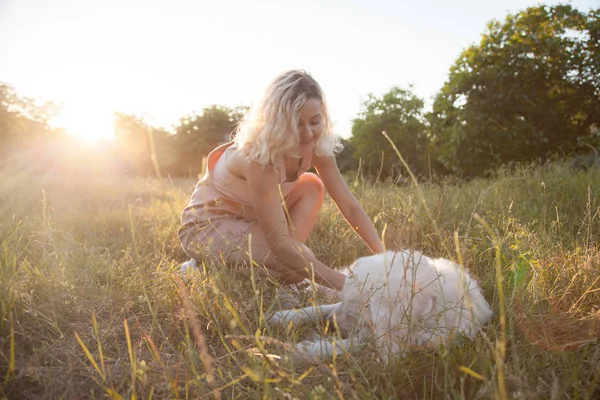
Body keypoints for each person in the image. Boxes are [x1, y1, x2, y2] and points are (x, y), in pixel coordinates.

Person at [178, 70, 384, 291]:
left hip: (251, 221)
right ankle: (200, 267)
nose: (307, 133)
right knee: (295, 260)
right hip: (206, 228)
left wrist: (386, 259)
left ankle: (279, 273)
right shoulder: (259, 159)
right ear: (276, 122)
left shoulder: (318, 148)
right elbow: (280, 245)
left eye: (315, 121)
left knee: (311, 185)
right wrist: (351, 288)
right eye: (296, 124)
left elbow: (349, 206)